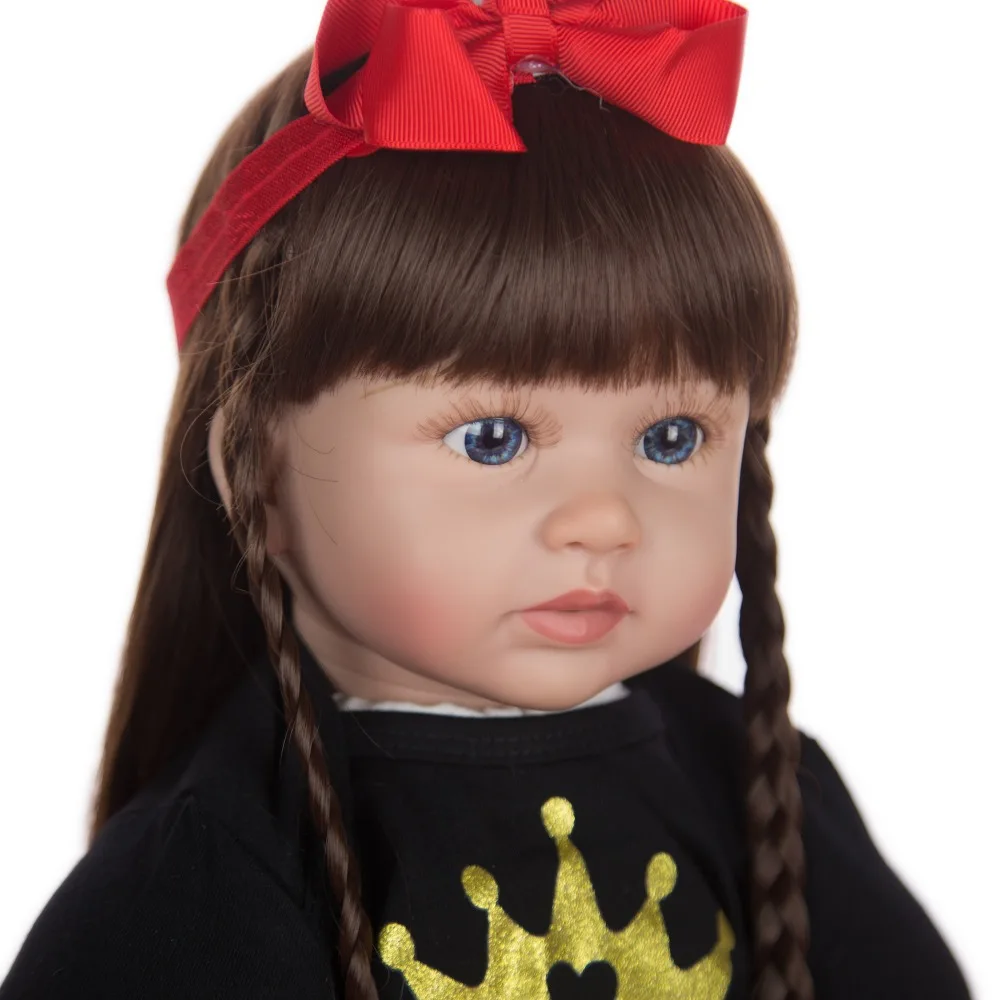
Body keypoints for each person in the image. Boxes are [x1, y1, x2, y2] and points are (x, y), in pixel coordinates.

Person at [0, 0, 973, 998]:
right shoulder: (211, 869)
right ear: (260, 471)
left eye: (671, 438)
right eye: (492, 439)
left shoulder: (759, 785)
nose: (604, 519)